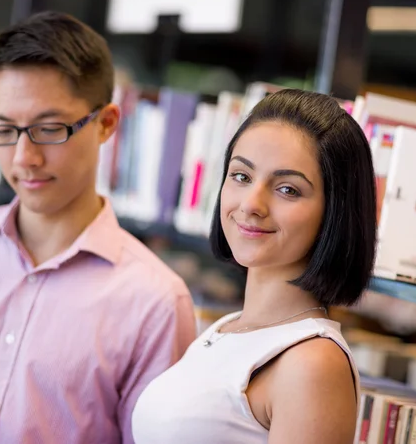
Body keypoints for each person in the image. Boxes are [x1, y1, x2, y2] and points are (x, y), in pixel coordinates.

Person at [0, 11, 197, 444]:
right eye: (4, 129)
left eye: (49, 129)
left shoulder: (155, 302)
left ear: (106, 124)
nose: (24, 157)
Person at [131, 89, 377, 443]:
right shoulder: (227, 328)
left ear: (334, 213)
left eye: (288, 189)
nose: (251, 204)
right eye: (242, 176)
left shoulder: (312, 362)